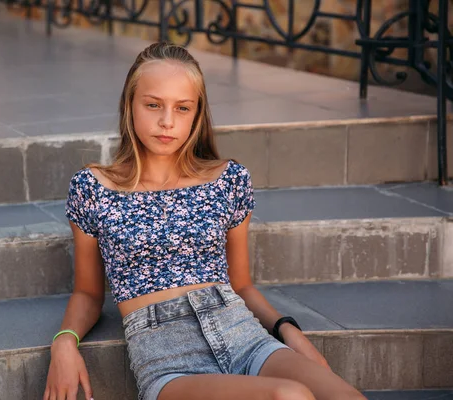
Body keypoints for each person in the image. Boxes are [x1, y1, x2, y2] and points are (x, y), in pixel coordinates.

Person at [43, 42, 366, 400]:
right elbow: (88, 293)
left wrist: (288, 330)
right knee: (289, 396)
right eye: (153, 105)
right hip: (168, 359)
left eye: (182, 108)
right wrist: (64, 341)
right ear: (129, 106)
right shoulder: (92, 188)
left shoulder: (229, 180)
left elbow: (241, 285)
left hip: (244, 336)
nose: (167, 121)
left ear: (197, 116)